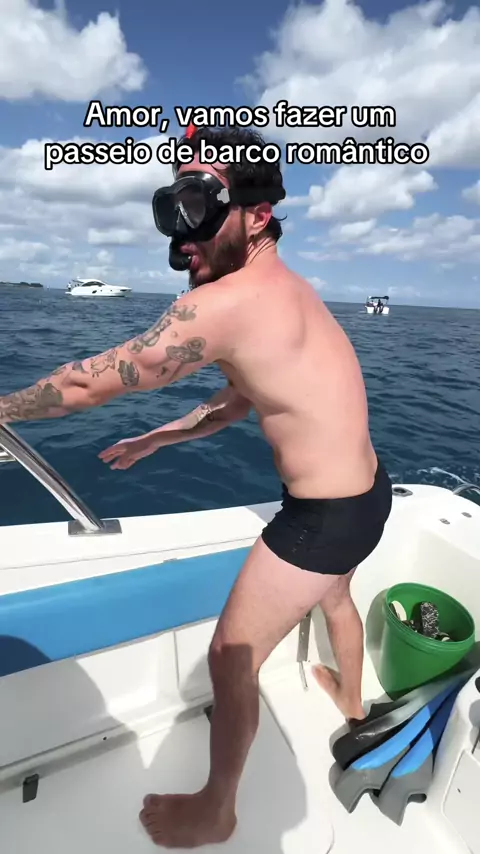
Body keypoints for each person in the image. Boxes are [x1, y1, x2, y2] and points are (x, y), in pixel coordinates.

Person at [0, 125, 392, 848]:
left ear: (256, 215)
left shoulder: (227, 303)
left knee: (229, 656)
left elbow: (88, 383)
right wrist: (159, 438)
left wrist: (3, 409)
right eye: (172, 207)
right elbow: (244, 396)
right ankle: (352, 699)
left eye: (199, 206)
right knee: (335, 594)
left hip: (324, 518)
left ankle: (218, 809)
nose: (183, 235)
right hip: (370, 494)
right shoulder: (287, 292)